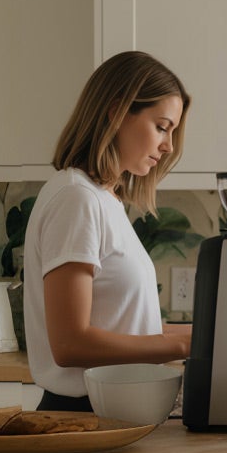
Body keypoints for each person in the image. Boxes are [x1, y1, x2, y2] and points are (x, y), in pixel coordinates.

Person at [21, 51, 194, 411]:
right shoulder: (76, 198)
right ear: (117, 112)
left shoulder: (103, 199)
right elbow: (70, 344)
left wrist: (208, 336)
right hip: (82, 418)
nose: (168, 145)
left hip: (113, 412)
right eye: (161, 127)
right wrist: (183, 345)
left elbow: (129, 327)